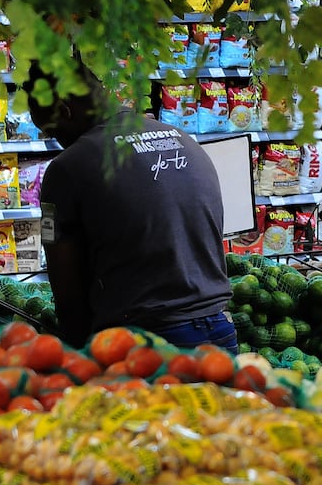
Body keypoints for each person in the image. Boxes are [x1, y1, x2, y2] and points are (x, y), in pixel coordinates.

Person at [21, 58, 237, 352]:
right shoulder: (184, 140)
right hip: (221, 330)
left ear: (64, 111)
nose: (57, 142)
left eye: (51, 130)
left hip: (146, 344)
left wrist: (78, 357)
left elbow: (65, 288)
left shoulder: (66, 168)